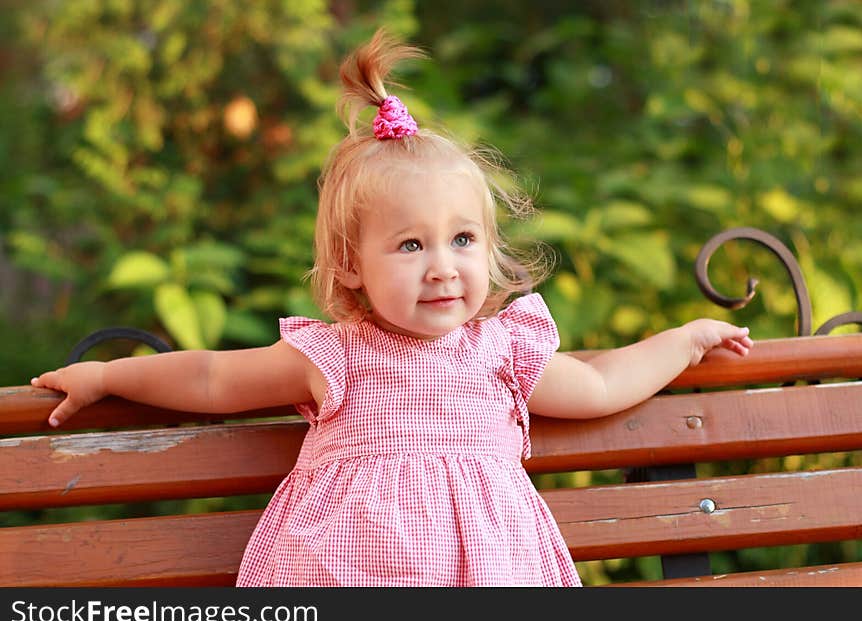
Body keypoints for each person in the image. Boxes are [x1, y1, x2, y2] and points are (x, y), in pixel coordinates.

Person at [29, 29, 753, 587]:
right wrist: (109, 377)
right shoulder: (335, 355)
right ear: (352, 265)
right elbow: (216, 379)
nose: (442, 267)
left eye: (462, 239)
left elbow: (599, 385)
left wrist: (684, 340)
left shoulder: (500, 350)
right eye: (410, 246)